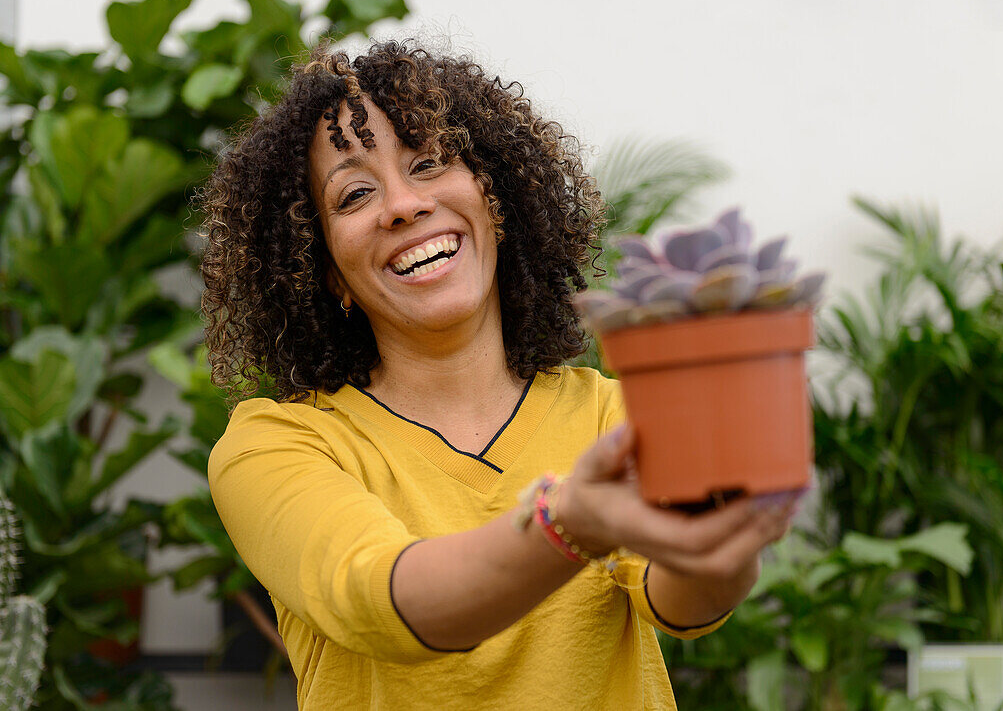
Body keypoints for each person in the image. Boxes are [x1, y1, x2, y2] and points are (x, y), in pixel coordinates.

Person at [201, 41, 798, 710]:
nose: (403, 204)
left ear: (497, 203)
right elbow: (387, 599)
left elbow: (683, 600)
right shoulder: (274, 446)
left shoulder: (610, 414)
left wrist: (726, 530)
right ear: (327, 269)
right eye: (356, 193)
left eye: (428, 163)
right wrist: (566, 522)